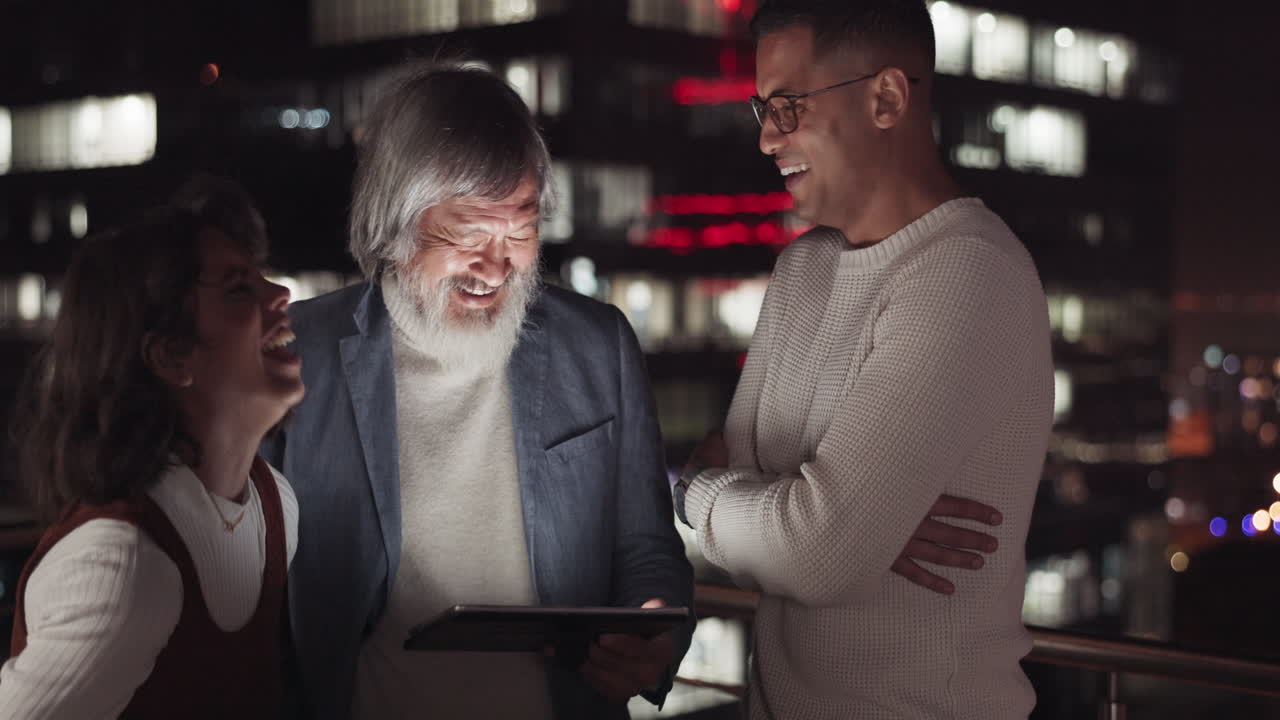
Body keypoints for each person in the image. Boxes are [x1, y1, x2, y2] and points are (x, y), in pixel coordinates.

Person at [258, 61, 693, 720]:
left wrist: (654, 630)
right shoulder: (301, 354)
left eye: (519, 230)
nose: (497, 266)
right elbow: (252, 592)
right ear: (396, 225)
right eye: (467, 235)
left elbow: (647, 549)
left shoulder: (596, 345)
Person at [674, 1, 1055, 717]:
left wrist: (701, 493)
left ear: (886, 98)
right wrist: (842, 525)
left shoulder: (968, 273)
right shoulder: (803, 269)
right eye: (763, 111)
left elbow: (815, 551)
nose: (767, 140)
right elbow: (799, 524)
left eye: (787, 108)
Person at [0, 178, 304, 719]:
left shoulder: (275, 505)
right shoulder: (121, 566)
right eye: (238, 287)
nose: (278, 294)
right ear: (171, 356)